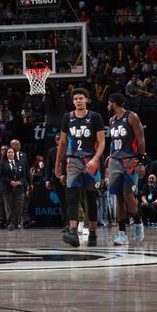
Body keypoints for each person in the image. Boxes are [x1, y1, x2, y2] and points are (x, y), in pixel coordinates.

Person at [55, 88, 106, 247]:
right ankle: (73, 231)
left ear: (87, 100)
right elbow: (62, 143)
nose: (78, 101)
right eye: (75, 98)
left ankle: (92, 232)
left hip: (91, 160)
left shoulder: (95, 117)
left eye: (81, 98)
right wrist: (58, 164)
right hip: (73, 161)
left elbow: (102, 142)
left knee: (91, 199)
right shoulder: (67, 117)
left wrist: (96, 159)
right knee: (72, 197)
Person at [106, 93, 147, 245]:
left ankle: (137, 222)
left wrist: (142, 161)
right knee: (118, 197)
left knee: (128, 194)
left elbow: (141, 138)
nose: (107, 106)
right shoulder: (111, 120)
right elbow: (114, 141)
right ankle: (122, 234)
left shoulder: (131, 117)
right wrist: (110, 156)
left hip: (130, 160)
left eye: (108, 103)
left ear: (114, 104)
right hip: (115, 160)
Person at [0, 147, 28, 231]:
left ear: (14, 154)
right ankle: (10, 223)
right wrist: (10, 182)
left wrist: (20, 182)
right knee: (9, 207)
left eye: (12, 152)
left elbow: (24, 176)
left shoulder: (20, 163)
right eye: (8, 152)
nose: (10, 154)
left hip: (19, 188)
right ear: (6, 154)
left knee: (19, 206)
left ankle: (17, 223)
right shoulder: (2, 163)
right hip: (7, 188)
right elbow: (1, 176)